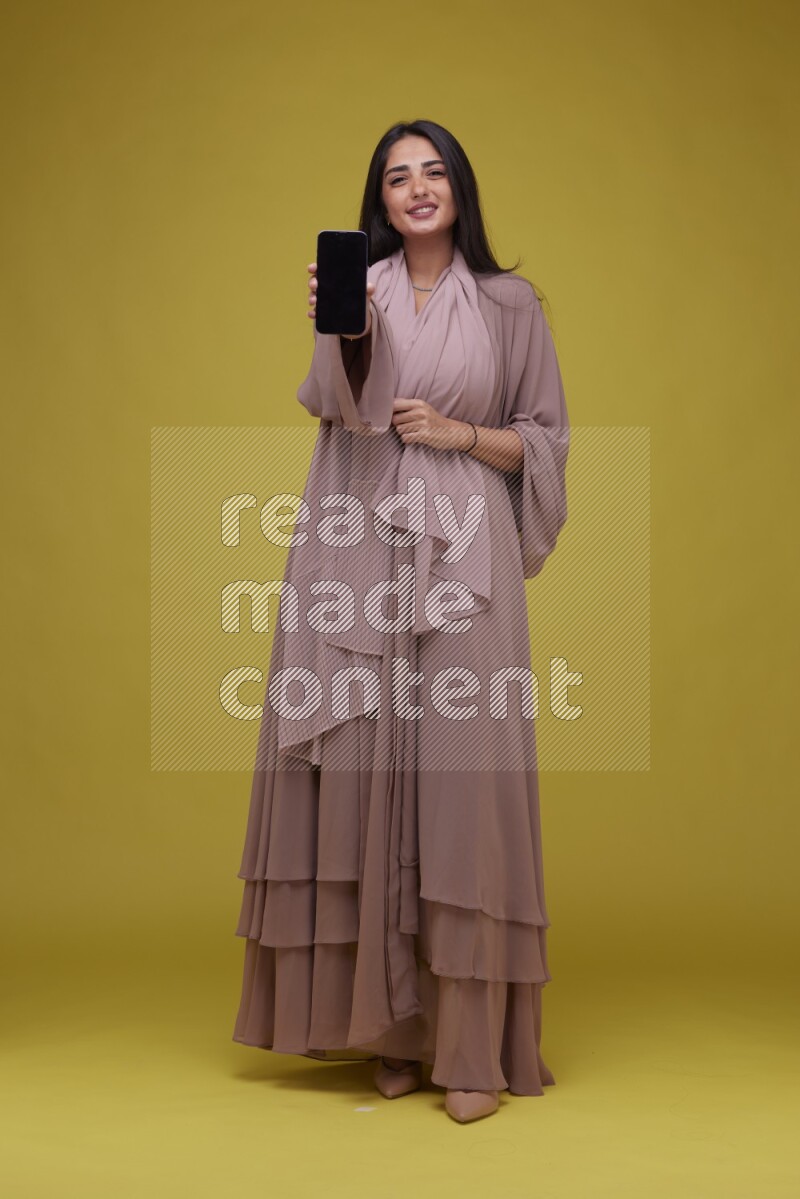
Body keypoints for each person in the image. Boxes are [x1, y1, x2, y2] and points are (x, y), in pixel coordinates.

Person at [232, 118, 570, 1124]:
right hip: (358, 546)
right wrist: (342, 330)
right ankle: (393, 1029)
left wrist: (461, 431)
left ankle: (468, 1045)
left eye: (431, 172)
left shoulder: (511, 304)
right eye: (395, 178)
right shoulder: (364, 289)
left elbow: (545, 440)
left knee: (464, 784)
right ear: (377, 201)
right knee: (370, 774)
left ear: (458, 188)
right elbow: (340, 410)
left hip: (466, 561)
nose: (416, 189)